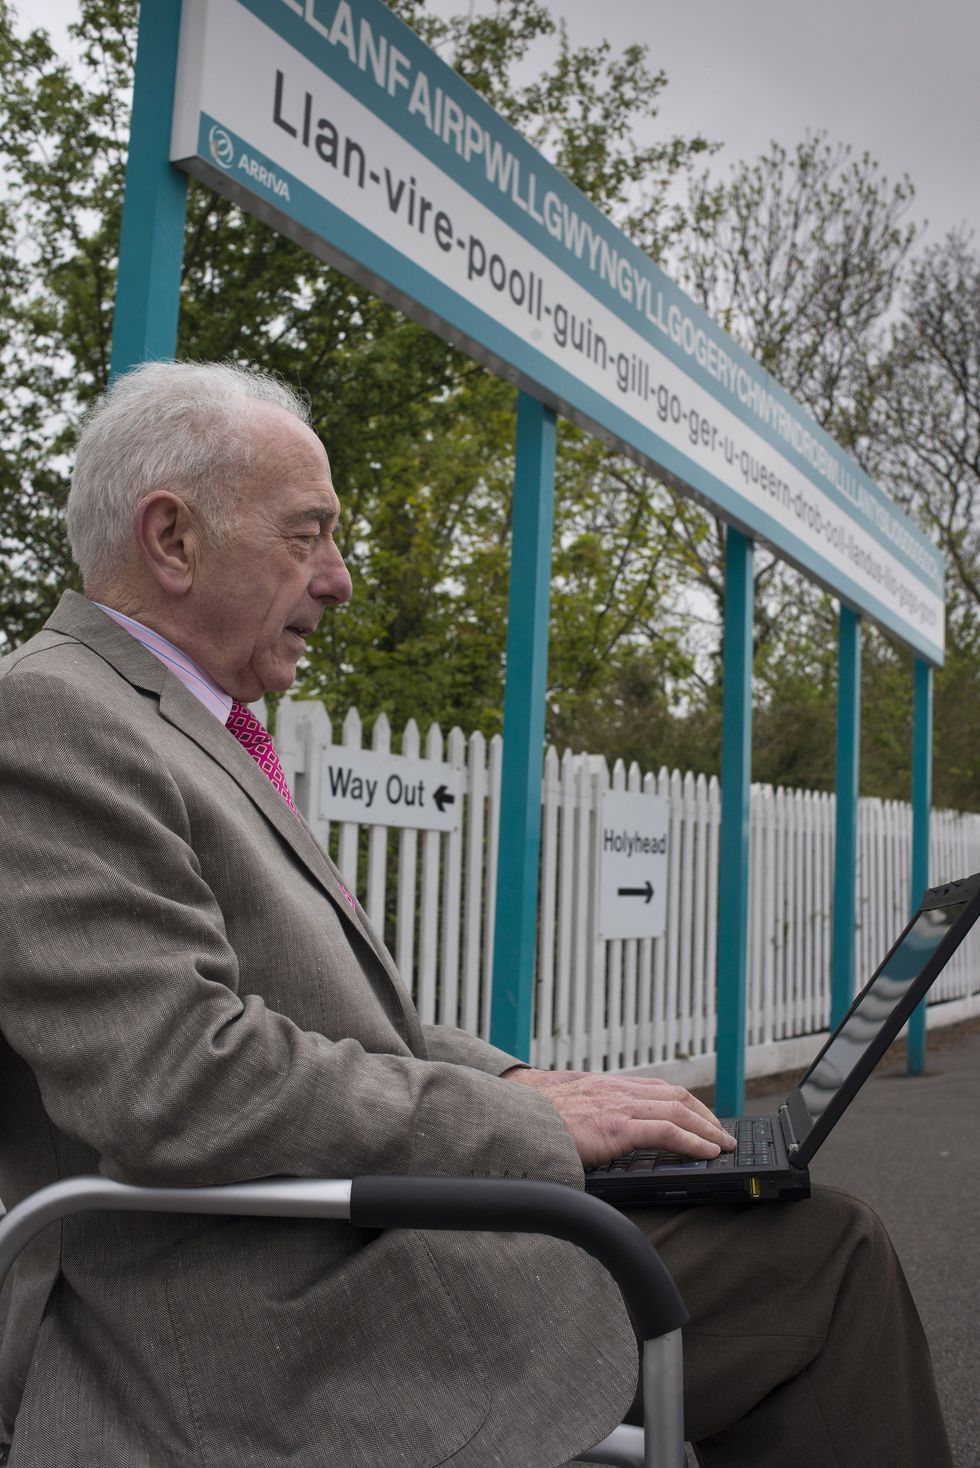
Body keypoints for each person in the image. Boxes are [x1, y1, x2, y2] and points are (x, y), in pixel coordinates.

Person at [0, 361, 950, 1468]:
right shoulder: (52, 714)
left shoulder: (175, 721)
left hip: (330, 1252)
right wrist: (528, 1130)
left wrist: (510, 1083)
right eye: (307, 536)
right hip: (253, 1320)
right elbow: (176, 1080)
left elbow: (328, 1020)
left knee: (788, 1232)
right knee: (815, 1255)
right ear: (173, 539)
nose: (340, 578)